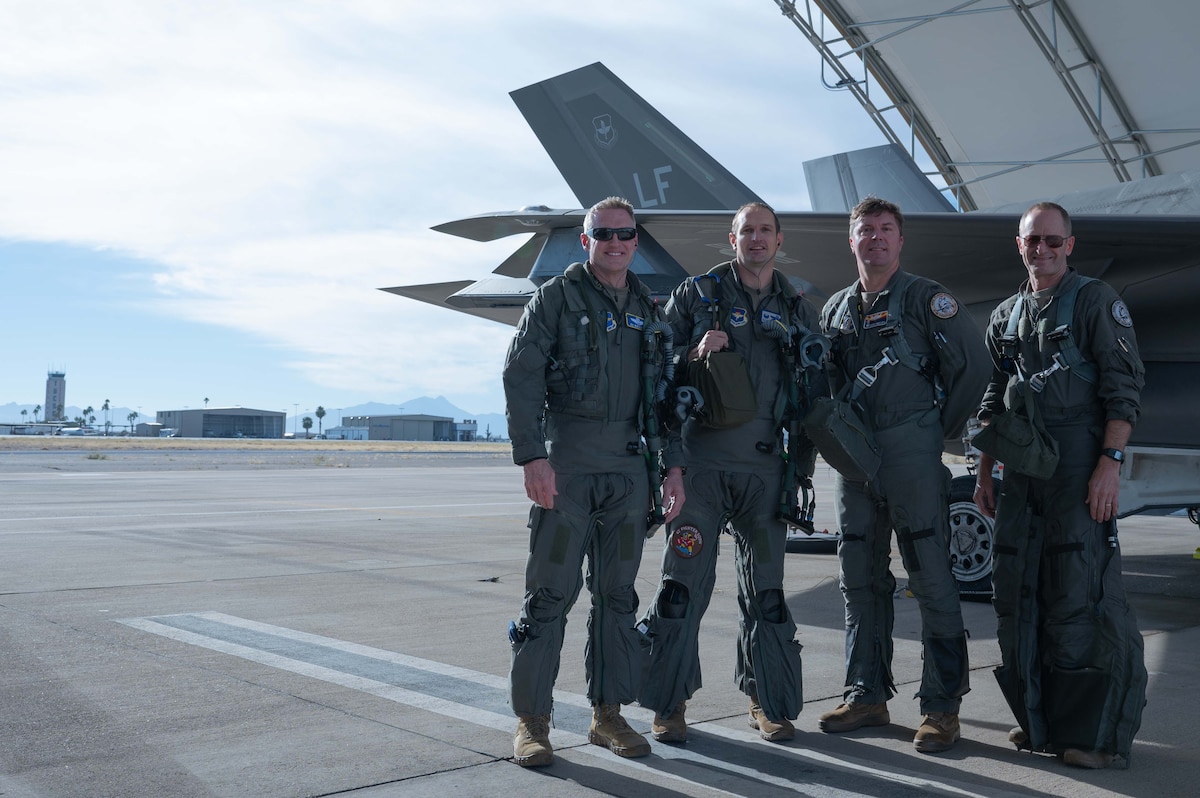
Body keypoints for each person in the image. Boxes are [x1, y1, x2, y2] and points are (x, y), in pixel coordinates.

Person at [502, 196, 686, 768]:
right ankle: (532, 722)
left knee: (618, 598)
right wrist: (533, 457)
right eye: (603, 233)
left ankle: (608, 714)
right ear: (586, 240)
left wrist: (672, 467)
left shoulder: (649, 311)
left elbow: (665, 399)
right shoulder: (554, 299)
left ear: (635, 241)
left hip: (629, 477)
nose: (615, 241)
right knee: (550, 596)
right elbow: (521, 377)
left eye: (625, 233)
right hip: (568, 472)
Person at [638, 202, 822, 744]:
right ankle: (668, 704)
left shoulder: (796, 307)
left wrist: (801, 474)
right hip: (701, 468)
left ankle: (766, 702)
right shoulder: (697, 296)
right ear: (732, 238)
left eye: (767, 231)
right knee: (681, 588)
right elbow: (654, 368)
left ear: (779, 239)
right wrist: (694, 355)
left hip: (766, 472)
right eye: (749, 231)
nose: (758, 239)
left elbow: (814, 398)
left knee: (766, 592)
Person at [973, 201, 1147, 769]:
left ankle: (1092, 736)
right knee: (1018, 592)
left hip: (1078, 464)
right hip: (1022, 469)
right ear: (1018, 246)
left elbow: (1123, 389)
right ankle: (1040, 720)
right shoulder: (1006, 315)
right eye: (1032, 241)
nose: (1041, 250)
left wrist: (1109, 463)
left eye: (1052, 240)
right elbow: (994, 399)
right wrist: (985, 471)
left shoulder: (1096, 302)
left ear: (1069, 245)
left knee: (1080, 593)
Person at [816, 196, 989, 753]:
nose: (876, 239)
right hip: (854, 461)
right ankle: (866, 693)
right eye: (865, 230)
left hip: (912, 453)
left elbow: (973, 366)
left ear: (900, 239)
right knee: (859, 575)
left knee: (931, 575)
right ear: (852, 241)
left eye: (886, 229)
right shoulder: (837, 310)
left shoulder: (924, 299)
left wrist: (934, 429)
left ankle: (941, 707)